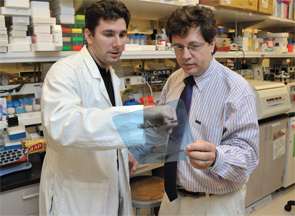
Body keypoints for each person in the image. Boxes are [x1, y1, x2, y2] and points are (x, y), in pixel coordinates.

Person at [39, 1, 177, 215]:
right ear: (89, 35)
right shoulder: (64, 72)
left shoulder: (111, 75)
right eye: (108, 34)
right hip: (78, 196)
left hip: (112, 187)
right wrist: (140, 116)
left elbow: (106, 126)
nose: (117, 43)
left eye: (122, 35)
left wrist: (127, 148)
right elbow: (62, 126)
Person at [158, 5, 259, 216]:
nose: (185, 55)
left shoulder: (237, 89)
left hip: (214, 203)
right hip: (172, 196)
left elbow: (249, 157)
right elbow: (163, 126)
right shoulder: (175, 80)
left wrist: (217, 157)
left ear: (212, 44)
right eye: (178, 47)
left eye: (193, 46)